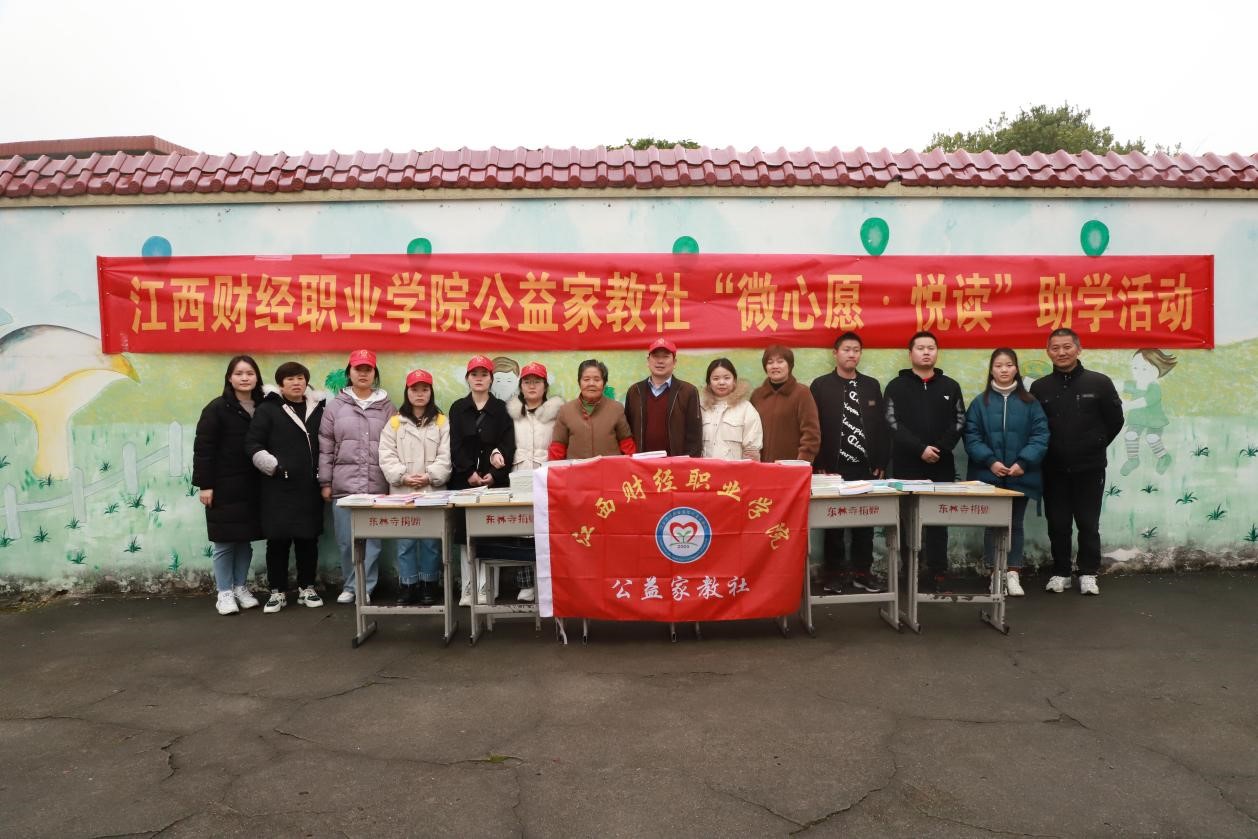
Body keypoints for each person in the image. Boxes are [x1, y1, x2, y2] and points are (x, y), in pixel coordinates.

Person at [1029, 328, 1124, 596]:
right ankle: (1061, 572)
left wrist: (1095, 444)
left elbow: (1115, 420)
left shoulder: (1099, 383)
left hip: (1090, 467)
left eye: (1067, 347)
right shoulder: (1040, 388)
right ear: (1048, 352)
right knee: (1058, 523)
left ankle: (1088, 572)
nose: (1062, 352)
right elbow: (1035, 426)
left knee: (1088, 523)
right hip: (1053, 468)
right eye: (1055, 348)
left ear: (1078, 349)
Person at [963, 348, 1049, 597]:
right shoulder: (980, 403)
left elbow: (1040, 435)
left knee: (1015, 524)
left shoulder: (1030, 402)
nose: (1004, 370)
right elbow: (971, 436)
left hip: (1021, 474)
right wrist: (990, 461)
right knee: (992, 525)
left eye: (1009, 365)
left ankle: (1013, 572)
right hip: (989, 475)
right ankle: (995, 573)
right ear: (991, 370)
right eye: (999, 365)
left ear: (1016, 369)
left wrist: (1023, 462)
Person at [884, 331, 965, 591]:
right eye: (920, 348)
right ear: (910, 354)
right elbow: (891, 422)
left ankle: (938, 572)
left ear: (937, 352)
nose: (926, 352)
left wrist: (938, 449)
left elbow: (959, 421)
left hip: (941, 463)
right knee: (908, 519)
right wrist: (919, 449)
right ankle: (909, 570)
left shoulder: (950, 386)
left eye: (931, 347)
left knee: (938, 520)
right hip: (907, 464)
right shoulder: (896, 386)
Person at [810, 332, 890, 593]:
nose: (851, 354)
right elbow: (814, 427)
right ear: (835, 353)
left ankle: (862, 573)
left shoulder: (871, 385)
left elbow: (881, 427)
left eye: (856, 350)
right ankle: (833, 574)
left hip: (865, 467)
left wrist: (880, 460)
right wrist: (819, 462)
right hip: (832, 468)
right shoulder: (821, 385)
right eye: (846, 349)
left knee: (864, 524)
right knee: (833, 524)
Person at [245, 361, 327, 613]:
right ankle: (277, 591)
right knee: (278, 541)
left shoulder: (318, 408)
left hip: (309, 486)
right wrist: (274, 466)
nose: (296, 383)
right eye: (290, 379)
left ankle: (307, 587)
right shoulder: (268, 409)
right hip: (277, 487)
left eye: (300, 378)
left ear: (306, 382)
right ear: (280, 384)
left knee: (308, 540)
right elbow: (253, 444)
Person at [320, 350, 397, 605]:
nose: (363, 374)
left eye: (368, 369)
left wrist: (393, 482)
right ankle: (350, 585)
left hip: (376, 485)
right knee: (346, 540)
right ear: (349, 373)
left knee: (372, 541)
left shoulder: (387, 407)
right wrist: (325, 482)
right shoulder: (336, 406)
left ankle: (366, 586)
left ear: (374, 373)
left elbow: (395, 445)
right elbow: (326, 446)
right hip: (344, 486)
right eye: (358, 369)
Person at [193, 355, 265, 615]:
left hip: (253, 485)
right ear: (229, 378)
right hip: (223, 485)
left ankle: (240, 587)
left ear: (257, 377)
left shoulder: (264, 406)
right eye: (239, 373)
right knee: (224, 542)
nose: (245, 378)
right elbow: (204, 449)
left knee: (245, 540)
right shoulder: (216, 408)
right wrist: (205, 485)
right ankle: (223, 592)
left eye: (250, 373)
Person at [378, 369, 451, 606]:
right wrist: (403, 477)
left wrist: (430, 476)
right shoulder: (394, 422)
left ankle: (430, 584)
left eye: (424, 389)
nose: (420, 394)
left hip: (432, 491)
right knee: (405, 541)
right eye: (415, 389)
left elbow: (446, 456)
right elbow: (386, 455)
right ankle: (407, 585)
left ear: (431, 392)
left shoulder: (442, 422)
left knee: (432, 541)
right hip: (403, 492)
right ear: (407, 392)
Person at [449, 354, 516, 605]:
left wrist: (494, 475)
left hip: (493, 482)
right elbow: (454, 444)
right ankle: (468, 588)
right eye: (474, 374)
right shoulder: (458, 408)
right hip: (464, 482)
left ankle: (488, 587)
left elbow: (508, 444)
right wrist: (469, 472)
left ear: (491, 379)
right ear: (467, 378)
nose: (479, 379)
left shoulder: (502, 409)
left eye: (484, 374)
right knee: (465, 535)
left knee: (491, 532)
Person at [503, 361, 563, 602]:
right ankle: (526, 584)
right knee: (522, 529)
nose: (532, 386)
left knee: (547, 531)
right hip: (518, 474)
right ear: (521, 386)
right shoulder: (512, 414)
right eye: (527, 381)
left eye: (537, 381)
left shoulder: (557, 414)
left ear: (545, 386)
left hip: (547, 475)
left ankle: (549, 583)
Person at [624, 337, 702, 457]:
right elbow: (627, 431)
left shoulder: (688, 392)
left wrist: (686, 463)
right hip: (641, 463)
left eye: (665, 357)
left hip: (675, 463)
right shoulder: (634, 391)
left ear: (674, 362)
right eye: (656, 356)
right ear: (648, 361)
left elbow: (695, 437)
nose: (660, 361)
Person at [550, 359, 636, 460]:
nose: (591, 383)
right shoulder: (565, 411)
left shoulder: (616, 409)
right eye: (586, 379)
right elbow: (557, 448)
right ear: (579, 382)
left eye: (597, 379)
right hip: (577, 469)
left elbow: (627, 446)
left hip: (610, 469)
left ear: (604, 383)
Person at [751, 344, 820, 463]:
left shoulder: (802, 393)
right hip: (761, 466)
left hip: (791, 467)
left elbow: (811, 433)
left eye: (780, 361)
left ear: (789, 365)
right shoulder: (757, 395)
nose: (775, 366)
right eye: (770, 362)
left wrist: (801, 462)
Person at [1120, 349, 1178, 476]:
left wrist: (1128, 405)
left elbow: (1145, 401)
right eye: (1135, 367)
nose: (1138, 372)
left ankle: (1164, 457)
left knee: (1152, 438)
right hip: (1137, 419)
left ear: (1157, 371)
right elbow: (1119, 385)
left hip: (1154, 420)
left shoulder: (1154, 388)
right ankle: (1133, 460)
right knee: (1130, 435)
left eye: (1144, 369)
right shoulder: (1135, 384)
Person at [700, 358, 762, 461]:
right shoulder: (700, 408)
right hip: (705, 470)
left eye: (727, 378)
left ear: (734, 381)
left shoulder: (746, 408)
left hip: (735, 470)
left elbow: (751, 450)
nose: (721, 382)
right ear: (709, 383)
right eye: (716, 378)